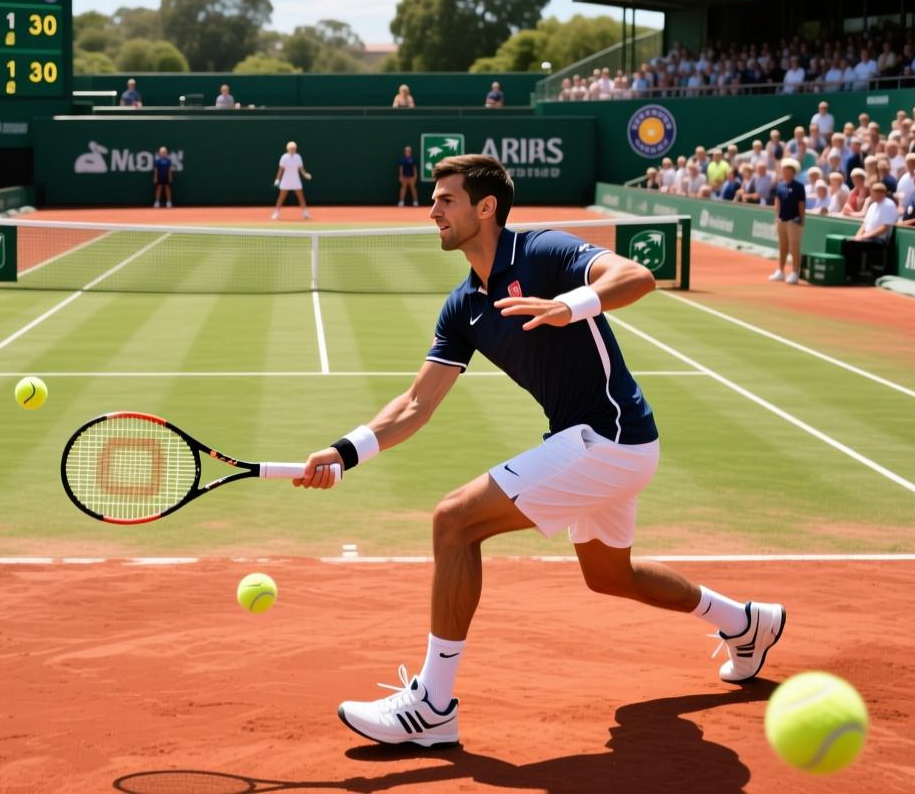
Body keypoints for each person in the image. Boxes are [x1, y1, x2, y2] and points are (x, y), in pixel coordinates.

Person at [294, 154, 785, 748]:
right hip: (594, 444)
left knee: (454, 521)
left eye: (445, 200)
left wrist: (569, 305)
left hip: (610, 438)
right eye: (434, 199)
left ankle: (433, 703)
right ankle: (746, 623)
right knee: (610, 576)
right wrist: (343, 452)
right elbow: (416, 405)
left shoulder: (545, 252)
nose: (432, 211)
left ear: (486, 207)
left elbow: (636, 276)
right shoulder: (463, 307)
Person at [842, 182, 898, 281]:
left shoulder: (889, 205)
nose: (873, 194)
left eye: (876, 192)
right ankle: (850, 274)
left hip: (879, 240)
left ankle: (854, 276)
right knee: (848, 242)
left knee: (852, 245)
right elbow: (864, 224)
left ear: (883, 193)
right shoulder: (872, 205)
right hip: (868, 237)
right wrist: (857, 236)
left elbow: (885, 228)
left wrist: (864, 236)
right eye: (873, 192)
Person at [769, 159, 805, 284]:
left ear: (792, 172)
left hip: (794, 221)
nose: (784, 172)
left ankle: (795, 273)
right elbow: (777, 202)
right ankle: (780, 271)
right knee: (782, 247)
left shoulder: (799, 187)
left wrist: (802, 220)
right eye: (783, 170)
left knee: (794, 248)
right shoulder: (780, 186)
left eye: (787, 170)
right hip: (782, 220)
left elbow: (801, 205)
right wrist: (777, 218)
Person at [272, 141, 310, 221]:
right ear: (287, 149)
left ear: (295, 149)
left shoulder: (298, 157)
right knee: (281, 197)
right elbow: (280, 170)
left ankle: (305, 213)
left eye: (294, 148)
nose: (292, 150)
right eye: (291, 148)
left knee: (301, 197)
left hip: (296, 180)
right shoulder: (284, 157)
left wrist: (305, 174)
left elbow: (301, 169)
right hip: (286, 180)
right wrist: (277, 180)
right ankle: (276, 213)